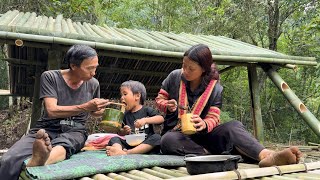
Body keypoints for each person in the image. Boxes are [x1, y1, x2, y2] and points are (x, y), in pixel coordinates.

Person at [155, 44, 302, 167]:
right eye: (184, 65)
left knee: (233, 126)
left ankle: (267, 156)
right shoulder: (174, 76)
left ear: (204, 69)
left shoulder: (215, 88)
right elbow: (159, 99)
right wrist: (167, 105)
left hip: (205, 135)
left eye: (191, 68)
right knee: (167, 141)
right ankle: (215, 154)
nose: (185, 71)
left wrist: (204, 123)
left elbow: (214, 117)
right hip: (178, 135)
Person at [0, 44, 111, 179]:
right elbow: (52, 110)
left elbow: (93, 112)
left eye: (95, 67)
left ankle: (40, 160)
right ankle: (40, 156)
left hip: (75, 130)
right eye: (89, 68)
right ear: (73, 66)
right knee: (8, 160)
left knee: (65, 144)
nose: (93, 73)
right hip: (46, 128)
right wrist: (86, 107)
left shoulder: (94, 84)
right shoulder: (50, 77)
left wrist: (99, 111)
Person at [106, 80, 164, 156]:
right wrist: (124, 131)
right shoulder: (125, 114)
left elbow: (161, 119)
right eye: (121, 95)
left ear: (137, 96)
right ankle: (117, 150)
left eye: (125, 94)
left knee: (157, 137)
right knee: (114, 139)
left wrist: (145, 120)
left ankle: (126, 153)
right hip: (130, 144)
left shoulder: (146, 110)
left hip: (146, 144)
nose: (122, 98)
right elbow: (119, 132)